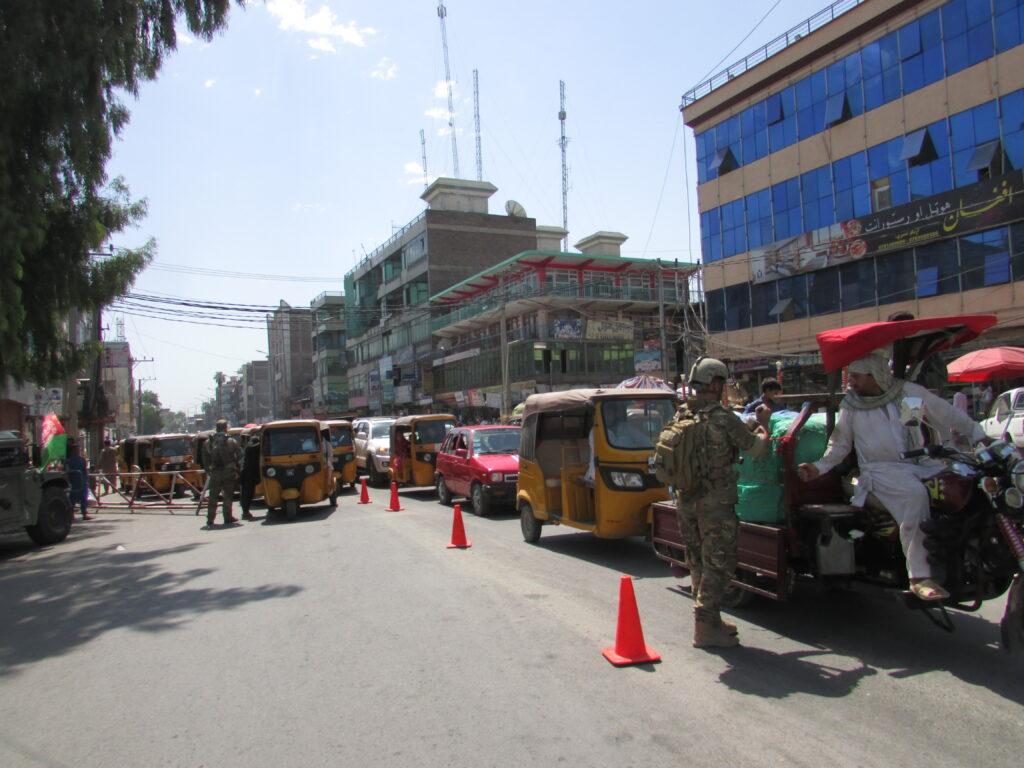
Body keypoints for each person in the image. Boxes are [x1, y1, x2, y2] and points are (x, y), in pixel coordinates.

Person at [797, 351, 987, 601]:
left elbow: (945, 414)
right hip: (879, 471)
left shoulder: (908, 393)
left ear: (874, 375)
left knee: (966, 482)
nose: (851, 382)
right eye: (850, 377)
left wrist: (978, 434)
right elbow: (840, 446)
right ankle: (920, 577)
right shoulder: (851, 405)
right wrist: (818, 467)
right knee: (915, 495)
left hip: (920, 462)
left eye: (856, 376)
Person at [676, 358, 770, 649]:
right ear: (715, 384)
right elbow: (756, 449)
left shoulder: (681, 415)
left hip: (686, 499)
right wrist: (764, 426)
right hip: (715, 503)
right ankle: (704, 627)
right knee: (720, 563)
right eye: (723, 383)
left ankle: (710, 621)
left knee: (697, 560)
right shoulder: (723, 417)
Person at [202, 419, 242, 528]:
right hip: (228, 472)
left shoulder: (208, 442)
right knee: (228, 495)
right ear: (225, 428)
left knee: (213, 497)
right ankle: (227, 517)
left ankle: (210, 519)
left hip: (215, 472)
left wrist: (208, 471)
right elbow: (239, 455)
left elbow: (205, 459)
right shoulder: (231, 441)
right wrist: (236, 467)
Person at [66, 440, 92, 521]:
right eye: (76, 449)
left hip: (82, 481)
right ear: (73, 451)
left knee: (83, 498)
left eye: (79, 449)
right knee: (72, 499)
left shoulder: (82, 460)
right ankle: (71, 515)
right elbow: (67, 472)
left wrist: (87, 480)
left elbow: (85, 470)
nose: (78, 451)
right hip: (74, 481)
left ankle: (84, 514)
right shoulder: (69, 461)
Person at [238, 434, 260, 521]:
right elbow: (254, 447)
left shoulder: (250, 447)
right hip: (247, 474)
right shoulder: (250, 448)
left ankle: (245, 512)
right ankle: (245, 512)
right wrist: (261, 442)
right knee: (247, 494)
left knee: (248, 494)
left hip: (252, 473)